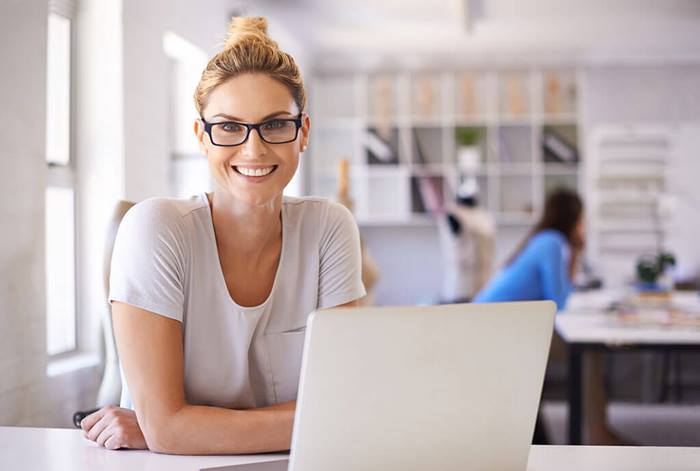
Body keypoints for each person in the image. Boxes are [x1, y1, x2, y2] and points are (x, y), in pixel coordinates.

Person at [80, 17, 365, 454]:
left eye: (275, 125)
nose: (253, 150)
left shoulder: (330, 228)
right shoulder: (155, 229)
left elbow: (347, 407)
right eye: (229, 126)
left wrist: (177, 427)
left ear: (302, 132)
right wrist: (170, 430)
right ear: (201, 136)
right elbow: (170, 433)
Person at [472, 188, 584, 310]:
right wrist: (576, 252)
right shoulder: (552, 243)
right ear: (575, 219)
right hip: (485, 319)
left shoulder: (544, 239)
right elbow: (559, 303)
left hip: (484, 315)